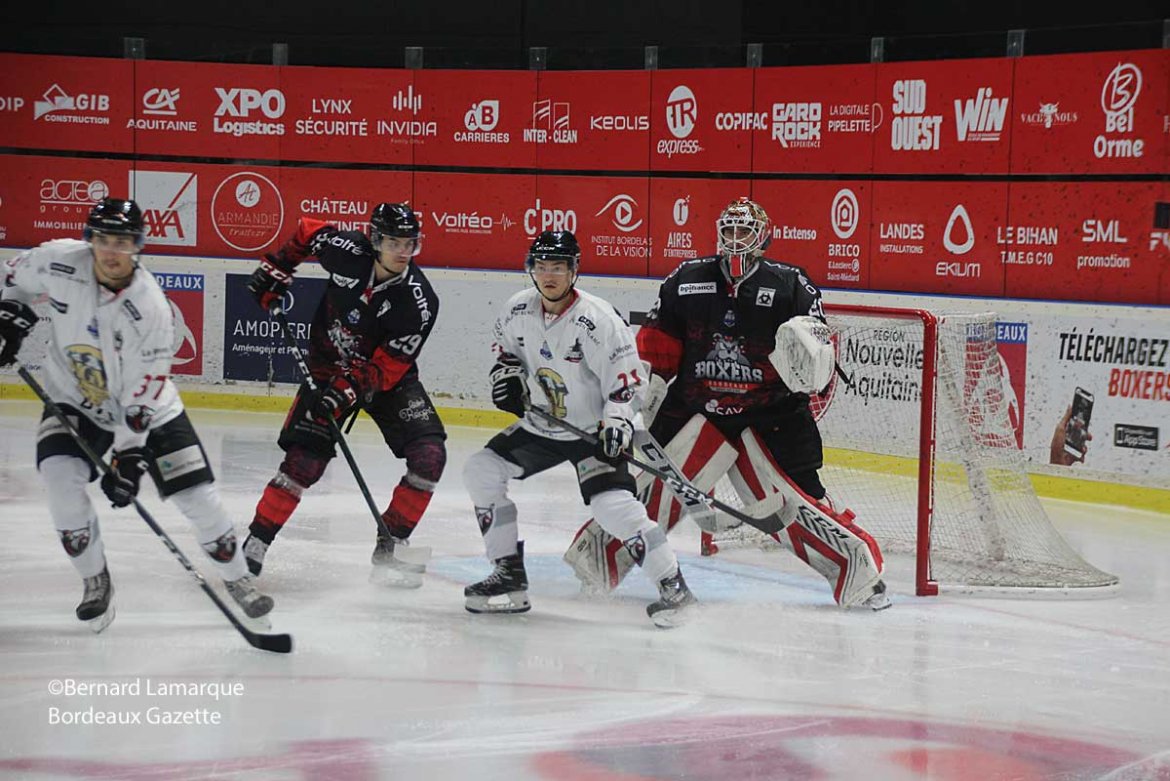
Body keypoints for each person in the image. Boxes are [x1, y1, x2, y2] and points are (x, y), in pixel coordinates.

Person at [564, 197, 890, 610]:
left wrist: (809, 358)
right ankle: (596, 564)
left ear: (763, 237)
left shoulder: (791, 284)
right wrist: (640, 396)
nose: (735, 238)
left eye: (744, 231)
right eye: (729, 230)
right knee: (653, 489)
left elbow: (816, 356)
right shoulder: (686, 279)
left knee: (800, 502)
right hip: (698, 409)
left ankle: (862, 578)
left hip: (771, 416)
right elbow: (656, 346)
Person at [0, 197, 274, 633]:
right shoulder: (58, 260)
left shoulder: (151, 309)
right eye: (104, 239)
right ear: (90, 239)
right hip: (74, 397)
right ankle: (95, 579)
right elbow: (13, 279)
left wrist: (128, 457)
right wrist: (11, 314)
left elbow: (141, 393)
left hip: (151, 410)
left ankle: (238, 578)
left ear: (138, 246)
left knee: (197, 497)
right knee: (59, 479)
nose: (112, 251)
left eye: (123, 242)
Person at [462, 230, 696, 628]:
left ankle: (674, 588)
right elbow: (505, 354)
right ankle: (508, 573)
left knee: (612, 508)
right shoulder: (517, 310)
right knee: (481, 470)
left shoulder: (598, 319)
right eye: (542, 266)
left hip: (593, 430)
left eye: (558, 267)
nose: (549, 275)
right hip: (543, 425)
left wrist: (617, 423)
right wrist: (508, 379)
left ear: (574, 270)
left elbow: (626, 382)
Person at [244, 203, 445, 587]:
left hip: (388, 383)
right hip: (327, 371)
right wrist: (278, 268)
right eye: (394, 242)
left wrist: (347, 390)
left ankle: (392, 543)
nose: (403, 251)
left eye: (410, 243)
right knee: (303, 464)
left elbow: (389, 366)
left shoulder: (419, 302)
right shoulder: (348, 251)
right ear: (375, 240)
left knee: (430, 456)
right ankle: (256, 542)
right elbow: (308, 229)